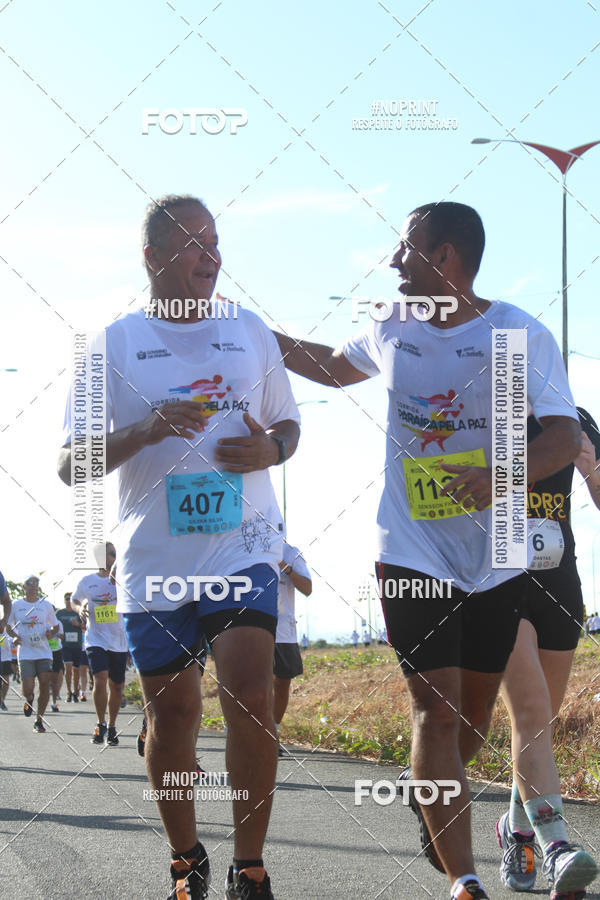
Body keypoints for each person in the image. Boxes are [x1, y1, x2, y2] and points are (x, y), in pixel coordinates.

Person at [274, 201, 582, 900]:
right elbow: (331, 366)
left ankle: (432, 792)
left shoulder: (516, 334)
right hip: (410, 548)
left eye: (405, 248)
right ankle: (464, 879)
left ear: (445, 258)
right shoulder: (392, 325)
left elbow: (564, 437)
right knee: (434, 711)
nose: (392, 261)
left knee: (470, 722)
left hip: (495, 556)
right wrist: (255, 335)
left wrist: (498, 477)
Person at [58, 193, 300, 900]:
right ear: (153, 256)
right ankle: (186, 856)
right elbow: (69, 464)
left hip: (242, 547)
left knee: (251, 694)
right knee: (173, 715)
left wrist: (272, 448)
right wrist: (144, 431)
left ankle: (249, 867)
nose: (211, 255)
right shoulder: (111, 345)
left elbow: (288, 425)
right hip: (155, 559)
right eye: (194, 242)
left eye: (215, 241)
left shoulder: (248, 330)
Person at [495, 408, 599, 896]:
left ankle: (515, 828)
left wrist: (592, 469)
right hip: (497, 582)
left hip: (558, 582)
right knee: (531, 712)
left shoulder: (574, 418)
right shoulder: (483, 411)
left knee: (542, 723)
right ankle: (554, 847)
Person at [71, 543, 129, 747]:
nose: (115, 557)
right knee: (100, 678)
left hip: (118, 641)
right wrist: (80, 609)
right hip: (95, 638)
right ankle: (101, 723)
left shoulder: (123, 579)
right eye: (111, 553)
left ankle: (112, 726)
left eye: (115, 553)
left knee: (117, 686)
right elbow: (74, 600)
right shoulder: (88, 581)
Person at [6, 576, 60, 733]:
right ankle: (29, 699)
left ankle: (39, 720)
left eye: (36, 583)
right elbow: (8, 627)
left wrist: (51, 633)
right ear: (24, 587)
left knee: (45, 683)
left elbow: (55, 626)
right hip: (26, 653)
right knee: (27, 689)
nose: (33, 586)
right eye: (30, 583)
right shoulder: (16, 605)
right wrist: (14, 636)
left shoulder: (46, 605)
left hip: (44, 652)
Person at [273, 542, 312, 755]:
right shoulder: (245, 546)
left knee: (282, 683)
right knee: (257, 684)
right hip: (252, 626)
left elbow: (307, 588)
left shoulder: (290, 553)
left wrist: (285, 567)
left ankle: (273, 731)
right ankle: (257, 734)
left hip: (283, 630)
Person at [56, 592, 83, 702]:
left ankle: (76, 692)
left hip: (77, 645)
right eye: (66, 599)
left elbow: (86, 626)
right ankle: (69, 691)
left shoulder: (78, 612)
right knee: (68, 667)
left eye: (70, 599)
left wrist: (78, 625)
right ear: (64, 600)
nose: (68, 601)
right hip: (65, 645)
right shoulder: (59, 613)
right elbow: (52, 625)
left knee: (76, 670)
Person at [0, 570, 13, 710]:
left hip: (5, 655)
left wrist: (4, 621)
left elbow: (7, 602)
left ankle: (2, 700)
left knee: (5, 679)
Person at [49, 618, 65, 712]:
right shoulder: (40, 622)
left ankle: (54, 703)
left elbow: (62, 636)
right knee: (43, 679)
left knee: (54, 680)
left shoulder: (58, 623)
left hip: (56, 651)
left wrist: (55, 633)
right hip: (43, 652)